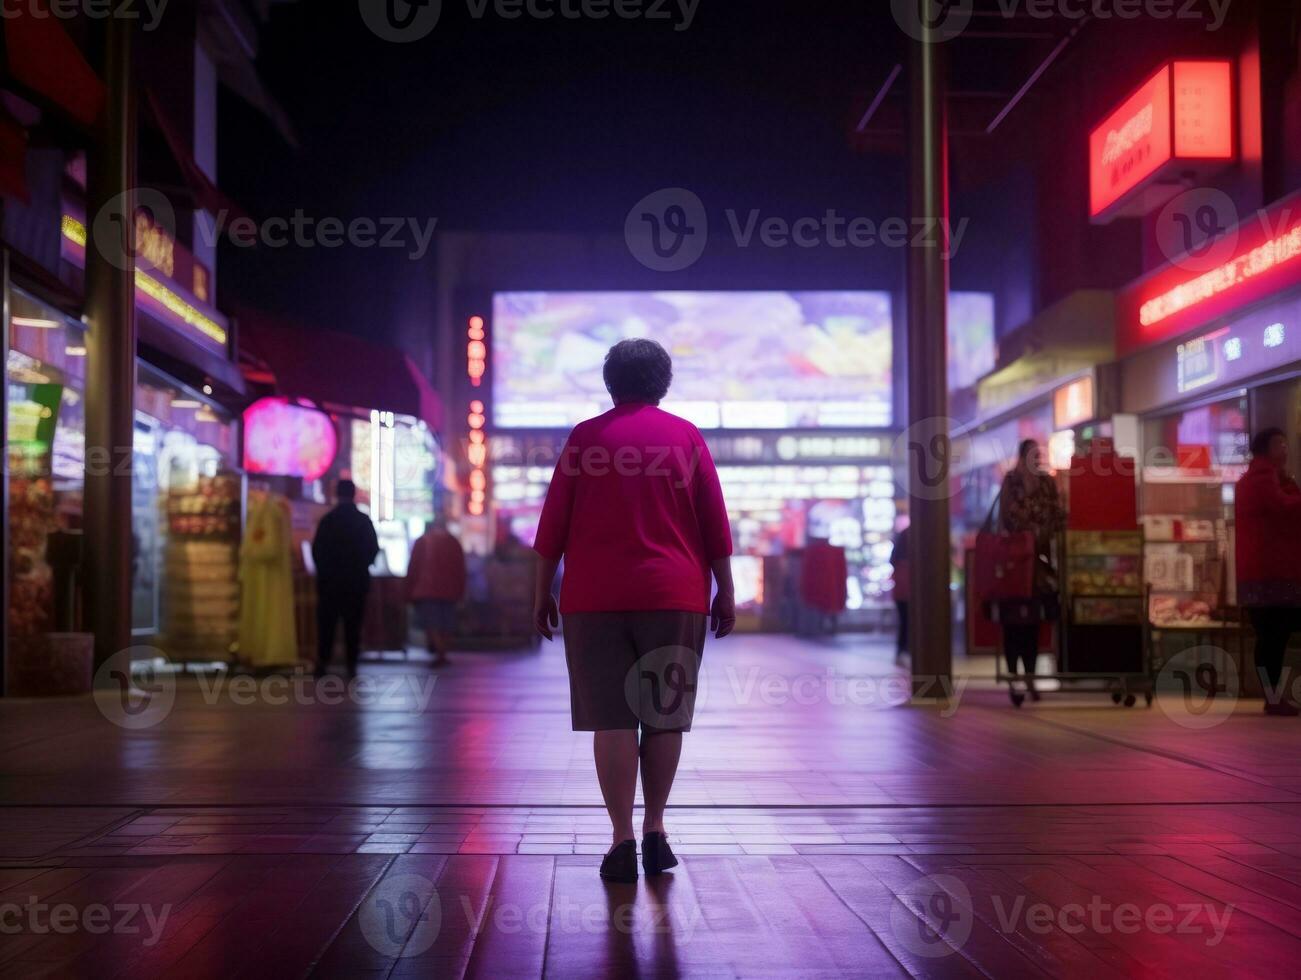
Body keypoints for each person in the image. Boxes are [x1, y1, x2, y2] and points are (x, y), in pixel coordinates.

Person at [532, 337, 735, 884]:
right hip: (673, 595)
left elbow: (552, 526)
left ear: (609, 381)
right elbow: (715, 524)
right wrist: (727, 591)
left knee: (612, 719)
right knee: (663, 715)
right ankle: (655, 829)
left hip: (593, 599)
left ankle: (620, 838)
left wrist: (538, 593)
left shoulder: (585, 438)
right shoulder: (685, 438)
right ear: (662, 383)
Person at [1235, 427, 1301, 716]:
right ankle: (1273, 696)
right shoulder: (1262, 480)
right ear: (1264, 450)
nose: (1284, 449)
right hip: (1273, 574)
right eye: (1279, 444)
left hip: (1263, 573)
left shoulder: (1265, 479)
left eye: (1285, 443)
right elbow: (1282, 509)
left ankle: (1273, 696)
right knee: (1275, 636)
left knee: (1271, 636)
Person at [997, 439, 1065, 702]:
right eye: (1031, 455)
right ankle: (1016, 678)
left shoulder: (1047, 483)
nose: (1036, 460)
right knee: (1013, 626)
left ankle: (1030, 678)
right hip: (1015, 565)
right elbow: (1008, 516)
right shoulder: (1012, 481)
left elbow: (1056, 515)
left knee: (1033, 626)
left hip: (1038, 565)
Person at [311, 479, 380, 679]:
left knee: (327, 625)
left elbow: (317, 551)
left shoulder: (328, 521)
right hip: (356, 582)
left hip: (329, 583)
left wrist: (325, 571)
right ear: (353, 494)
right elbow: (372, 549)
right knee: (353, 624)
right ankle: (351, 665)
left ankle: (323, 663)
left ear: (336, 494)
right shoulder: (363, 521)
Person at [406, 518, 467, 667]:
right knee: (446, 623)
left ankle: (440, 653)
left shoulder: (423, 541)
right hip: (450, 590)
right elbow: (461, 568)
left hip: (427, 589)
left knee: (431, 623)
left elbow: (414, 567)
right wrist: (461, 590)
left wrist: (408, 589)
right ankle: (442, 652)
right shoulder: (454, 542)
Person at [891, 524, 910, 659]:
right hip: (907, 593)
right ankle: (905, 647)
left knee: (904, 620)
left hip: (901, 593)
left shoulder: (899, 565)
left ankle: (902, 647)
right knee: (907, 620)